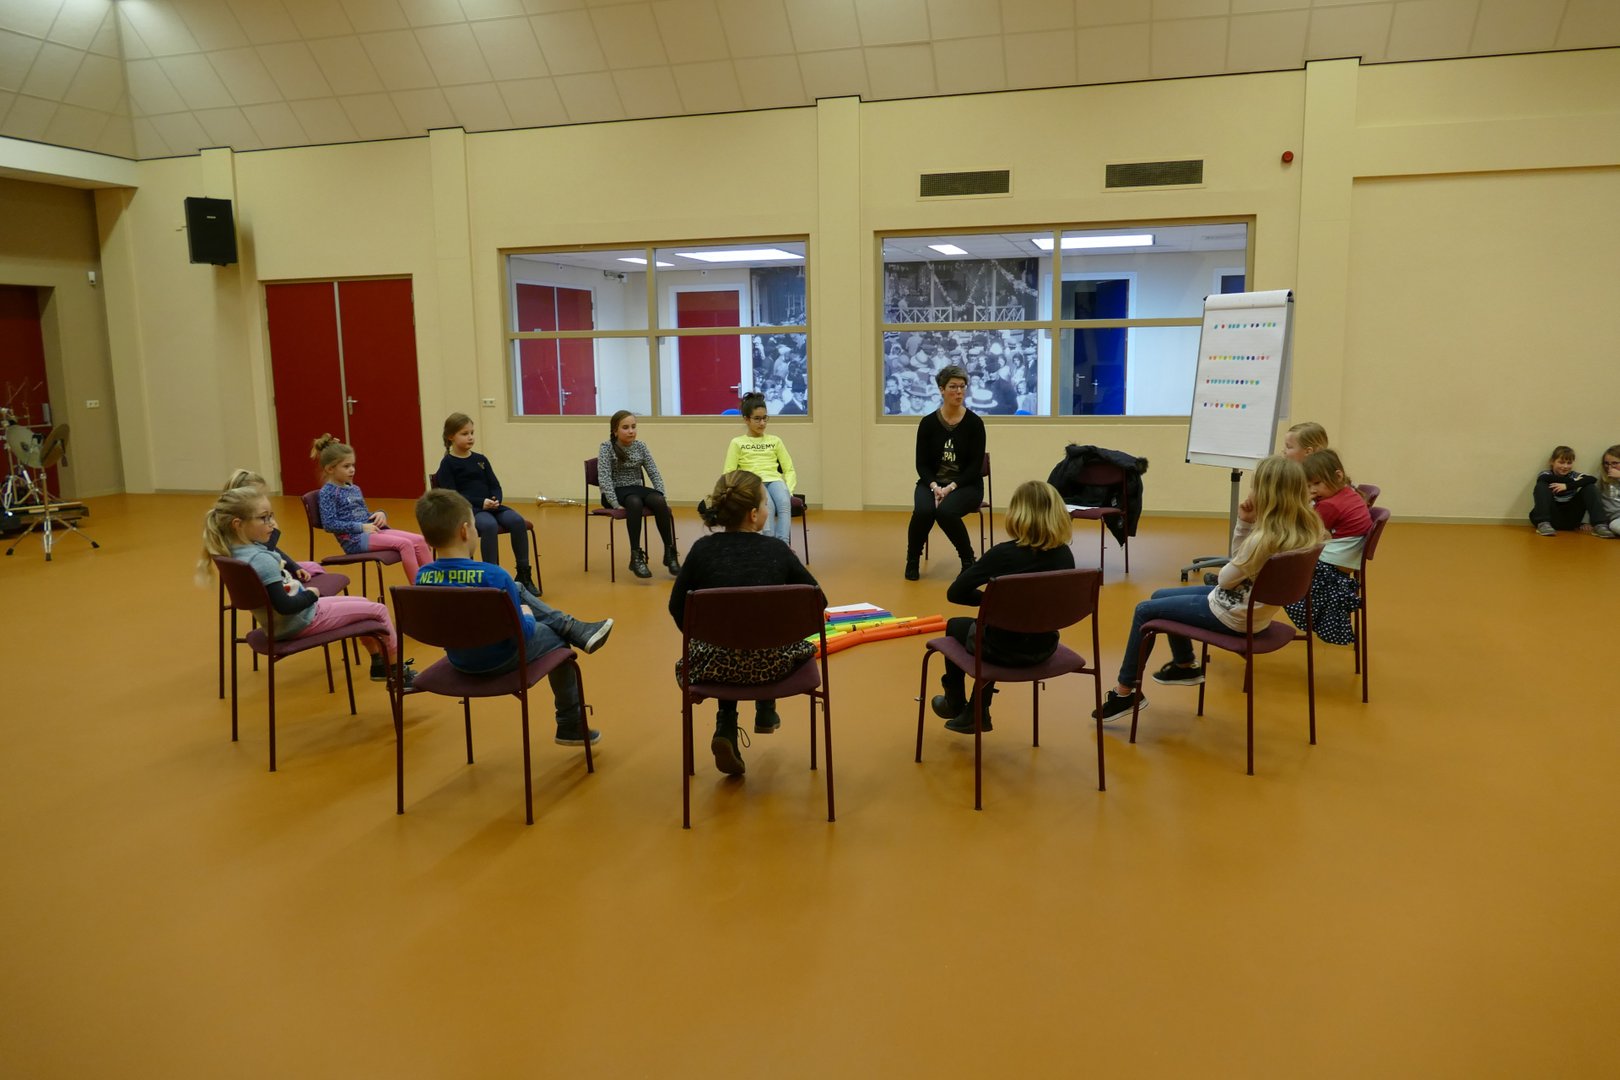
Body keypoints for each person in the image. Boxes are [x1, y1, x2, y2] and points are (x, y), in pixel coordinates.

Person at [1094, 455, 1328, 721]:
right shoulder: (1304, 531)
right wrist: (1246, 523)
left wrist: (1243, 527)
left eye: (1254, 486)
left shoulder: (1264, 539)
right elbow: (1240, 568)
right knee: (1159, 596)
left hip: (1231, 614)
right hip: (1251, 610)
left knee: (1144, 610)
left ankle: (1124, 693)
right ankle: (1185, 665)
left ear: (1267, 494)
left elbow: (1226, 577)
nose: (1251, 492)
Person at [413, 489, 612, 747]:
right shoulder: (494, 576)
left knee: (516, 590)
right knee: (558, 639)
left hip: (459, 658)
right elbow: (523, 633)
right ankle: (569, 723)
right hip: (499, 659)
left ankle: (573, 627)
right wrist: (527, 616)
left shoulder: (422, 577)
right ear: (465, 531)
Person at [669, 471, 819, 777]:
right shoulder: (777, 551)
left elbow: (676, 607)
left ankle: (725, 724)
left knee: (729, 643)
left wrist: (705, 638)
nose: (767, 510)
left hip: (715, 666)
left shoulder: (701, 550)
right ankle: (766, 706)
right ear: (753, 515)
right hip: (773, 665)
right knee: (772, 639)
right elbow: (817, 604)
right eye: (765, 505)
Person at [200, 485, 412, 685]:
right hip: (301, 620)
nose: (272, 523)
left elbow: (271, 556)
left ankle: (378, 662)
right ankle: (395, 670)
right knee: (378, 610)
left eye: (271, 515)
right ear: (237, 524)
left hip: (283, 623)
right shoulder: (261, 560)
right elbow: (285, 605)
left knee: (362, 604)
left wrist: (304, 587)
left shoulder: (236, 551)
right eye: (264, 518)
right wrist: (312, 593)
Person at [931, 480, 1076, 734]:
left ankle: (955, 701)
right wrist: (1002, 606)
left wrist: (992, 603)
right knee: (1002, 629)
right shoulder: (1064, 555)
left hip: (1001, 650)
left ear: (1017, 514)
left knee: (957, 626)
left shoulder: (1003, 555)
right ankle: (976, 711)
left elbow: (956, 592)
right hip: (1044, 646)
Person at [431, 412, 537, 592]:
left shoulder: (481, 459)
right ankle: (492, 577)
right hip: (469, 510)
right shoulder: (448, 463)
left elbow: (495, 485)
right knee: (489, 526)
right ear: (450, 437)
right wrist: (481, 503)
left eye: (472, 433)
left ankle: (524, 574)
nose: (470, 437)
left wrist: (496, 499)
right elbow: (453, 495)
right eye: (464, 433)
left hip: (491, 506)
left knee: (517, 521)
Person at [311, 434, 432, 582]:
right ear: (330, 469)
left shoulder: (354, 488)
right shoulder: (328, 492)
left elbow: (362, 514)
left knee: (419, 540)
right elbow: (329, 524)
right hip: (354, 540)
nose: (352, 470)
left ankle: (435, 585)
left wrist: (380, 513)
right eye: (346, 466)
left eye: (353, 465)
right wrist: (361, 527)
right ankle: (419, 589)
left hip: (372, 531)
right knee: (405, 544)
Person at [905, 364, 986, 581]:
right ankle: (912, 560)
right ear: (941, 389)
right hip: (932, 483)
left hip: (966, 485)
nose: (959, 392)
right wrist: (934, 486)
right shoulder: (928, 423)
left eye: (962, 387)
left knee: (945, 512)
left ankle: (968, 560)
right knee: (923, 511)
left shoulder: (975, 423)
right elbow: (921, 464)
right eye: (953, 387)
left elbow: (974, 467)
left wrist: (950, 487)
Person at [1284, 449, 1373, 645]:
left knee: (1275, 562)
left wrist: (1302, 503)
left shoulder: (1329, 505)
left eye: (1317, 483)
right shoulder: (1349, 492)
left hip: (1329, 566)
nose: (1313, 490)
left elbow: (1307, 531)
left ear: (1338, 476)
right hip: (1343, 561)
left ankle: (1247, 605)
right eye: (1309, 485)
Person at [597, 410, 679, 578]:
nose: (631, 431)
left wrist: (662, 493)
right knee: (635, 502)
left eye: (633, 427)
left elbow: (653, 472)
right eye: (625, 427)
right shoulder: (606, 448)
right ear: (615, 431)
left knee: (658, 500)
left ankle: (669, 553)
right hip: (615, 491)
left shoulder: (640, 446)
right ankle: (635, 557)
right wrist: (614, 503)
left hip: (635, 488)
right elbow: (604, 478)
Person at [222, 468, 328, 583]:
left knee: (313, 567)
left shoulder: (250, 526)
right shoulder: (245, 530)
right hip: (267, 576)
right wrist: (274, 531)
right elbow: (267, 551)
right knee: (315, 572)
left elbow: (273, 550)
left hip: (271, 567)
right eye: (259, 496)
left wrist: (294, 566)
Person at [723, 392, 797, 543]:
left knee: (784, 502)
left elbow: (789, 469)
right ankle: (769, 545)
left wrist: (789, 490)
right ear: (746, 419)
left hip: (774, 480)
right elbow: (729, 471)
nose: (762, 423)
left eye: (764, 418)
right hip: (754, 482)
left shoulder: (775, 440)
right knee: (768, 506)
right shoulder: (737, 442)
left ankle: (783, 545)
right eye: (757, 419)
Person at [1530, 445, 1605, 537]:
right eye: (1561, 462)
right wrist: (1574, 482)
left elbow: (1592, 479)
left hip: (1570, 518)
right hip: (1551, 517)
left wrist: (1566, 486)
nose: (1565, 466)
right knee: (1541, 485)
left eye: (1569, 463)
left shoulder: (1574, 475)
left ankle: (1600, 524)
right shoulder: (1546, 474)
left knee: (1590, 487)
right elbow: (1543, 478)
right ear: (1552, 462)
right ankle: (1543, 523)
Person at [1596, 445, 1620, 538]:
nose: (1609, 467)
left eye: (1615, 463)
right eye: (1606, 463)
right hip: (1616, 518)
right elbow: (1595, 501)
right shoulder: (1603, 480)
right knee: (1614, 526)